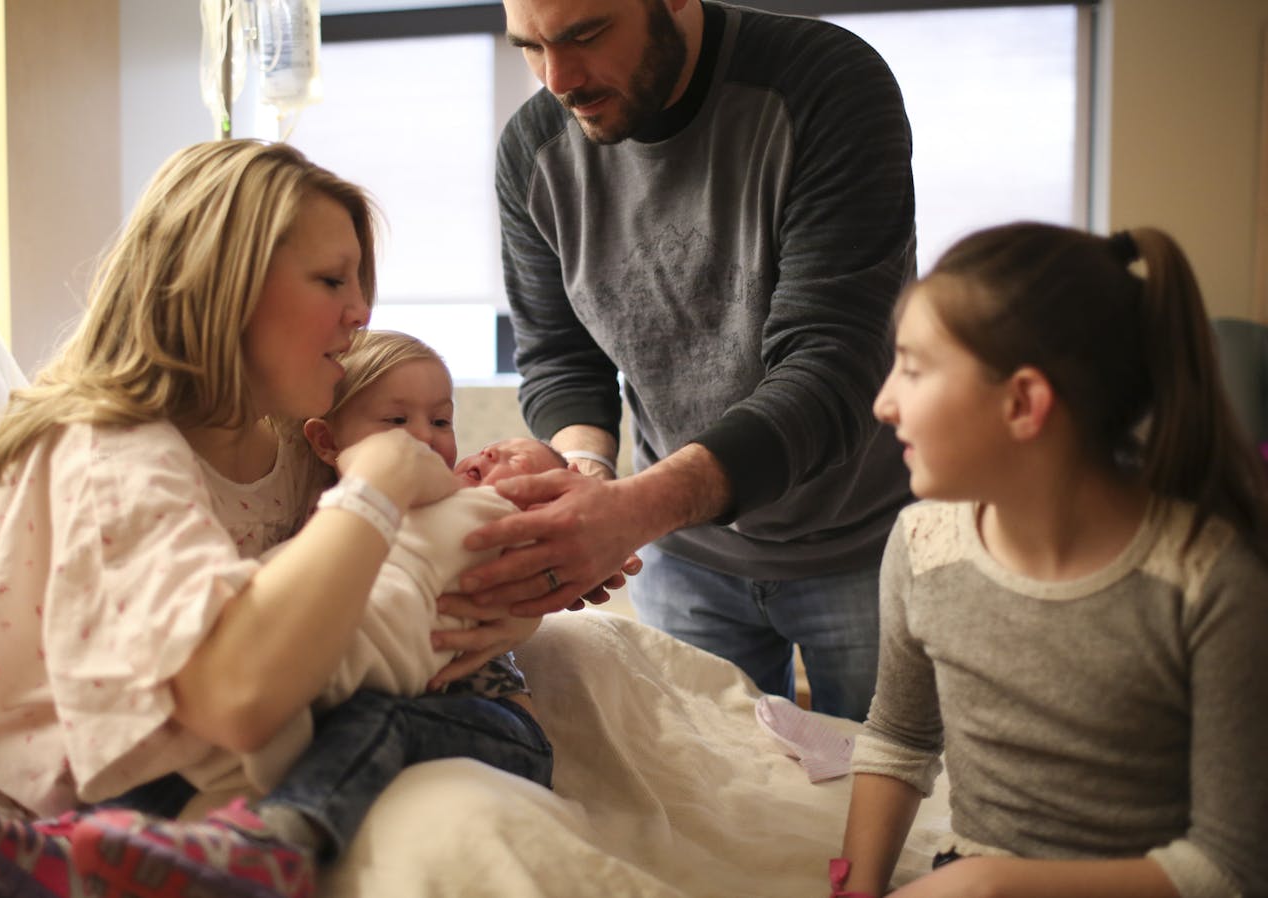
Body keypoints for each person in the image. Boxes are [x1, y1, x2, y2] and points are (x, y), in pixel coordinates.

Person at [0, 140, 550, 898]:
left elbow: (405, 561)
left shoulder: (281, 438)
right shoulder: (105, 452)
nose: (360, 311)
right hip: (127, 770)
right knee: (371, 723)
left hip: (232, 752)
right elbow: (238, 700)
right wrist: (373, 489)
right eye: (332, 279)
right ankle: (84, 850)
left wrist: (509, 611)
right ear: (227, 283)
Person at [463, 0, 917, 721]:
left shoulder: (825, 83)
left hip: (865, 546)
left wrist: (631, 512)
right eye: (530, 46)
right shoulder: (533, 150)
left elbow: (830, 364)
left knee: (894, 809)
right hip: (685, 558)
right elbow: (559, 355)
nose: (557, 78)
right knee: (722, 804)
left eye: (585, 35)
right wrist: (588, 479)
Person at [833, 223, 1268, 898]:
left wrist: (992, 886)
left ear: (1023, 403)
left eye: (913, 370)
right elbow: (898, 739)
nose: (884, 403)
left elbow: (1231, 867)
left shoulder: (1208, 583)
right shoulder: (923, 547)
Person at [291, 328, 570, 715]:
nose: (424, 436)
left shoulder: (464, 505)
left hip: (465, 676)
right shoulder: (306, 503)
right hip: (356, 664)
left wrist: (527, 616)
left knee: (510, 722)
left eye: (441, 421)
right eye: (397, 419)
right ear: (326, 441)